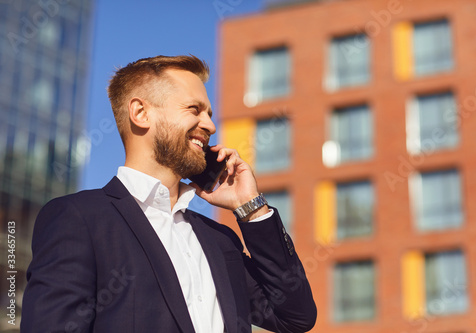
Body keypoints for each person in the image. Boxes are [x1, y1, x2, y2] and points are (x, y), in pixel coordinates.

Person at [21, 55, 317, 333]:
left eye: (210, 114)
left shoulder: (219, 240)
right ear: (140, 113)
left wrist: (251, 208)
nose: (211, 125)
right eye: (194, 109)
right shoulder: (79, 219)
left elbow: (295, 316)